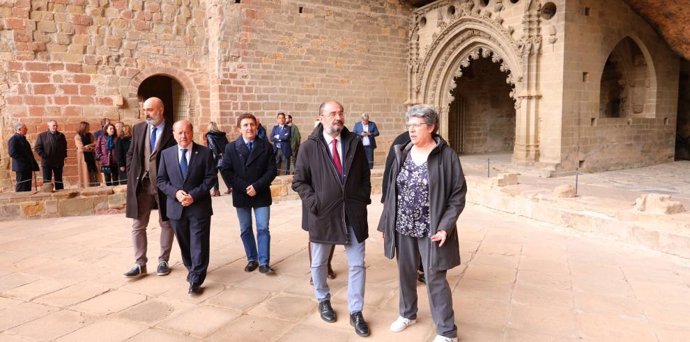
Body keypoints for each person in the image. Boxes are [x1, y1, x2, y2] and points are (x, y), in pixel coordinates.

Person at [378, 105, 467, 342]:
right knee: (405, 273)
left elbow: (458, 195)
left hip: (432, 229)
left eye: (416, 125)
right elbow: (391, 191)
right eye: (409, 126)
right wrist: (386, 224)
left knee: (435, 277)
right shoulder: (403, 151)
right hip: (402, 226)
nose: (411, 130)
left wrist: (445, 226)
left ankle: (446, 331)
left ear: (431, 127)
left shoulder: (446, 156)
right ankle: (407, 313)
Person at [292, 100, 372, 337]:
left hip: (352, 213)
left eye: (341, 113)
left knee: (357, 264)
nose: (338, 117)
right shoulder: (309, 147)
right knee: (318, 263)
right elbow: (299, 181)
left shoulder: (355, 143)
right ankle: (323, 298)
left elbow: (364, 175)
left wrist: (361, 199)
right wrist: (315, 202)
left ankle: (356, 311)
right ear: (322, 117)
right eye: (332, 114)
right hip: (323, 215)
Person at [157, 120, 216, 295]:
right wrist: (176, 193)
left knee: (199, 243)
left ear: (192, 132)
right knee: (185, 244)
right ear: (174, 135)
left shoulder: (205, 153)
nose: (183, 136)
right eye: (179, 133)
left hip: (199, 207)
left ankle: (196, 278)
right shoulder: (166, 154)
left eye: (186, 132)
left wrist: (194, 195)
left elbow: (210, 178)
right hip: (176, 208)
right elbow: (161, 180)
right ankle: (192, 268)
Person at [123, 97, 176, 278]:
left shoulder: (173, 129)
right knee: (138, 224)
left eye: (150, 110)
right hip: (142, 183)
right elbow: (132, 153)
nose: (146, 113)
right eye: (145, 110)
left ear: (161, 110)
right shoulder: (139, 128)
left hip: (165, 184)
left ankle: (163, 260)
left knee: (166, 222)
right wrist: (132, 174)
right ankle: (140, 263)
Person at [220, 113, 278, 274]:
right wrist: (245, 187)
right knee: (245, 228)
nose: (249, 128)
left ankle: (264, 262)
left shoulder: (266, 146)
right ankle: (252, 258)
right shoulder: (231, 147)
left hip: (261, 193)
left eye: (252, 124)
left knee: (263, 228)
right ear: (239, 128)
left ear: (256, 126)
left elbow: (272, 170)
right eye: (245, 125)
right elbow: (226, 170)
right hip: (241, 193)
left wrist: (257, 186)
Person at [382, 131, 425, 284]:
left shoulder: (437, 145)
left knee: (424, 241)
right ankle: (410, 273)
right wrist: (386, 200)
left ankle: (423, 269)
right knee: (405, 244)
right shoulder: (401, 141)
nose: (414, 128)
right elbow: (389, 171)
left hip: (426, 210)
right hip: (402, 206)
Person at [34, 120, 68, 190]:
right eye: (53, 125)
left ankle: (61, 194)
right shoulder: (42, 136)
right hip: (47, 162)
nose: (55, 127)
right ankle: (47, 195)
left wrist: (63, 157)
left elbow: (64, 147)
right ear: (48, 126)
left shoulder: (61, 135)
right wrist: (44, 156)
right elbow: (37, 148)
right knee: (47, 181)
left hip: (58, 162)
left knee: (59, 180)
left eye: (56, 125)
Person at [8, 122, 39, 192]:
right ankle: (19, 202)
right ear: (19, 129)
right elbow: (12, 153)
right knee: (21, 185)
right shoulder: (13, 139)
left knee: (27, 186)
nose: (27, 129)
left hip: (27, 166)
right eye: (25, 128)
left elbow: (29, 154)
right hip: (21, 167)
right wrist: (24, 160)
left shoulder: (24, 139)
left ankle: (27, 202)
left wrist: (33, 164)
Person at [205, 121, 230, 197]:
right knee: (224, 173)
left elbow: (212, 147)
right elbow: (227, 144)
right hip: (224, 156)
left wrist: (216, 154)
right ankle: (230, 187)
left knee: (214, 174)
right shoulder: (222, 135)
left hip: (215, 157)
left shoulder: (209, 135)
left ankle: (216, 191)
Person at [75, 121, 99, 188]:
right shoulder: (77, 136)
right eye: (88, 127)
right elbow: (81, 148)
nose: (89, 128)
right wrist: (90, 148)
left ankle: (95, 185)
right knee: (86, 173)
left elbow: (95, 144)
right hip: (84, 157)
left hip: (92, 157)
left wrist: (88, 145)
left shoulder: (90, 135)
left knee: (93, 171)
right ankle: (87, 187)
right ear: (83, 127)